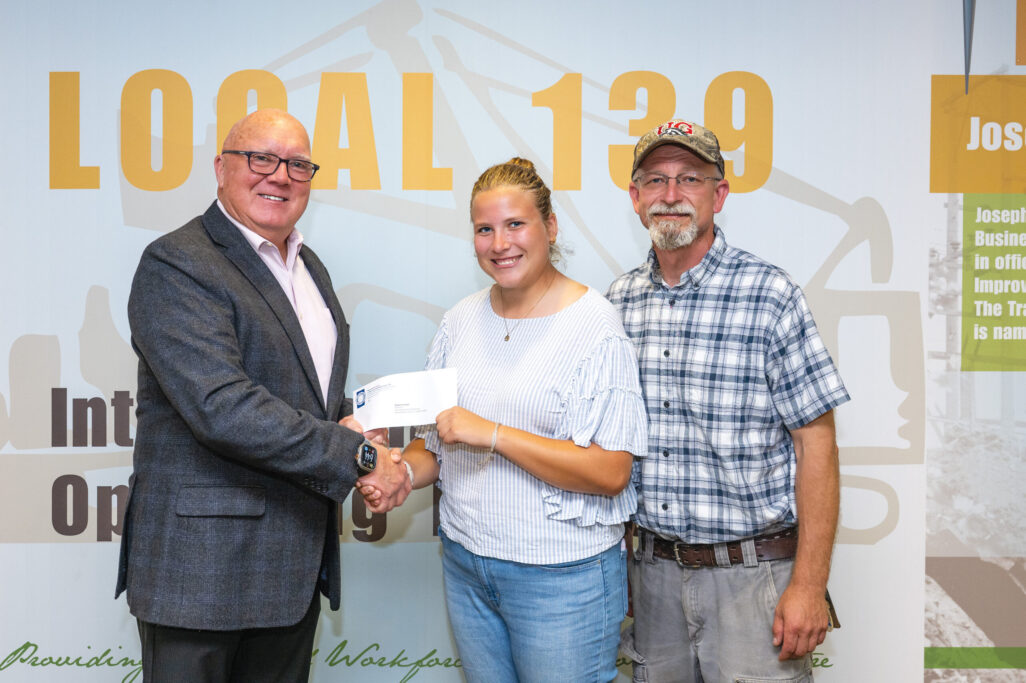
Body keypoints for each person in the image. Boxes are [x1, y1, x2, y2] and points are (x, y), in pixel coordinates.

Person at [114, 108, 411, 683]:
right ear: (221, 168)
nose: (280, 175)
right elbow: (222, 407)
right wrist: (360, 457)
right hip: (201, 575)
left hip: (290, 566)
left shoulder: (307, 267)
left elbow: (305, 397)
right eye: (261, 158)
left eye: (298, 164)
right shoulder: (177, 262)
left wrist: (359, 422)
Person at [360, 158, 648, 683]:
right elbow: (437, 445)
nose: (500, 243)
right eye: (484, 229)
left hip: (563, 577)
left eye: (515, 224)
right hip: (468, 564)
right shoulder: (460, 321)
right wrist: (402, 474)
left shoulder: (595, 328)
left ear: (551, 227)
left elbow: (611, 472)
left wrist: (492, 434)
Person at [607, 119, 850, 683]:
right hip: (652, 578)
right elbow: (611, 449)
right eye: (655, 179)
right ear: (635, 197)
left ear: (719, 193)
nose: (671, 195)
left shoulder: (771, 294)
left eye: (689, 178)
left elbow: (818, 446)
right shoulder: (615, 304)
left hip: (755, 579)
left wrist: (809, 586)